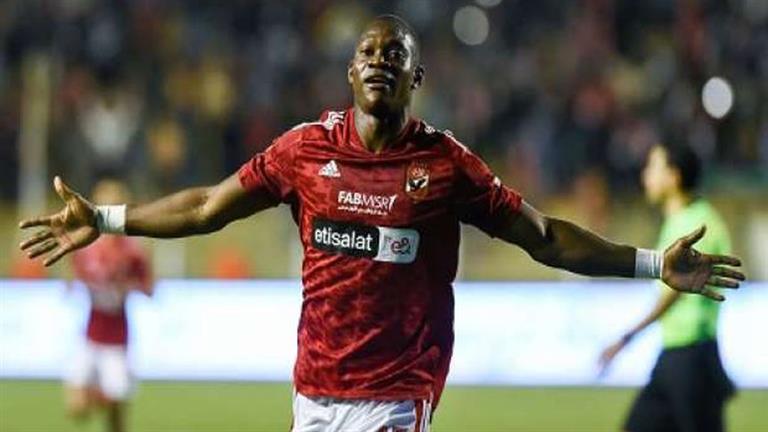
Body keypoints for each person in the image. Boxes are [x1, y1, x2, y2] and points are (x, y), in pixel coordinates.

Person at [19, 15, 743, 432]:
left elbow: (546, 238)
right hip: (313, 392)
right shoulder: (304, 151)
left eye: (394, 55)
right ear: (349, 72)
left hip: (396, 393)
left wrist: (651, 263)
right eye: (366, 52)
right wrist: (106, 218)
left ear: (414, 78)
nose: (378, 61)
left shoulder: (447, 165)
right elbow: (208, 206)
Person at [598, 142, 736, 432]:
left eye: (653, 167)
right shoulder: (680, 220)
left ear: (673, 177)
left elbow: (673, 294)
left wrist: (626, 338)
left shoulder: (697, 225)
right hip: (674, 358)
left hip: (692, 358)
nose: (645, 175)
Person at [64, 179, 152, 432]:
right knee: (77, 408)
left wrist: (127, 287)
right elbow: (71, 279)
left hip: (117, 339)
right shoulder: (85, 246)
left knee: (116, 416)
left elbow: (149, 289)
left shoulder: (133, 251)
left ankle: (107, 395)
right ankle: (99, 392)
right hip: (90, 335)